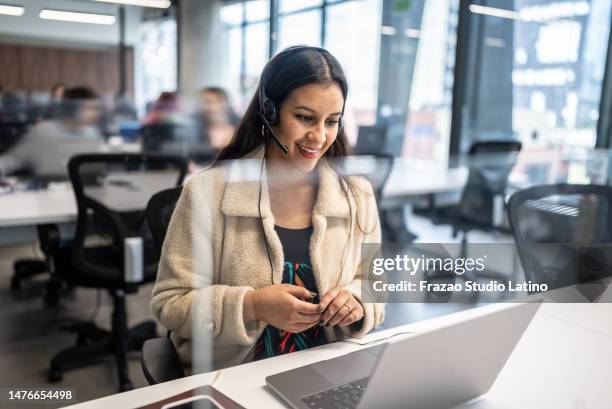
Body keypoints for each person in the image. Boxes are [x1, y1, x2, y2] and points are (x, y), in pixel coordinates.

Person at [151, 46, 384, 372]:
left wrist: (357, 301)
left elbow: (376, 283)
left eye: (332, 121)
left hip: (328, 368)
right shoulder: (207, 192)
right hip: (234, 375)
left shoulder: (356, 194)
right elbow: (171, 303)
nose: (319, 136)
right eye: (304, 117)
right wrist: (251, 306)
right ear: (269, 111)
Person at [0, 86, 104, 177]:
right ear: (71, 108)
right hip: (48, 194)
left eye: (96, 109)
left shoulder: (93, 134)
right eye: (88, 108)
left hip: (85, 192)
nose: (94, 114)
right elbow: (12, 160)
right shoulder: (44, 133)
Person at [198, 86, 240, 151]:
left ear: (223, 103)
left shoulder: (238, 127)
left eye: (210, 102)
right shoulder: (198, 127)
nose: (205, 107)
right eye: (203, 102)